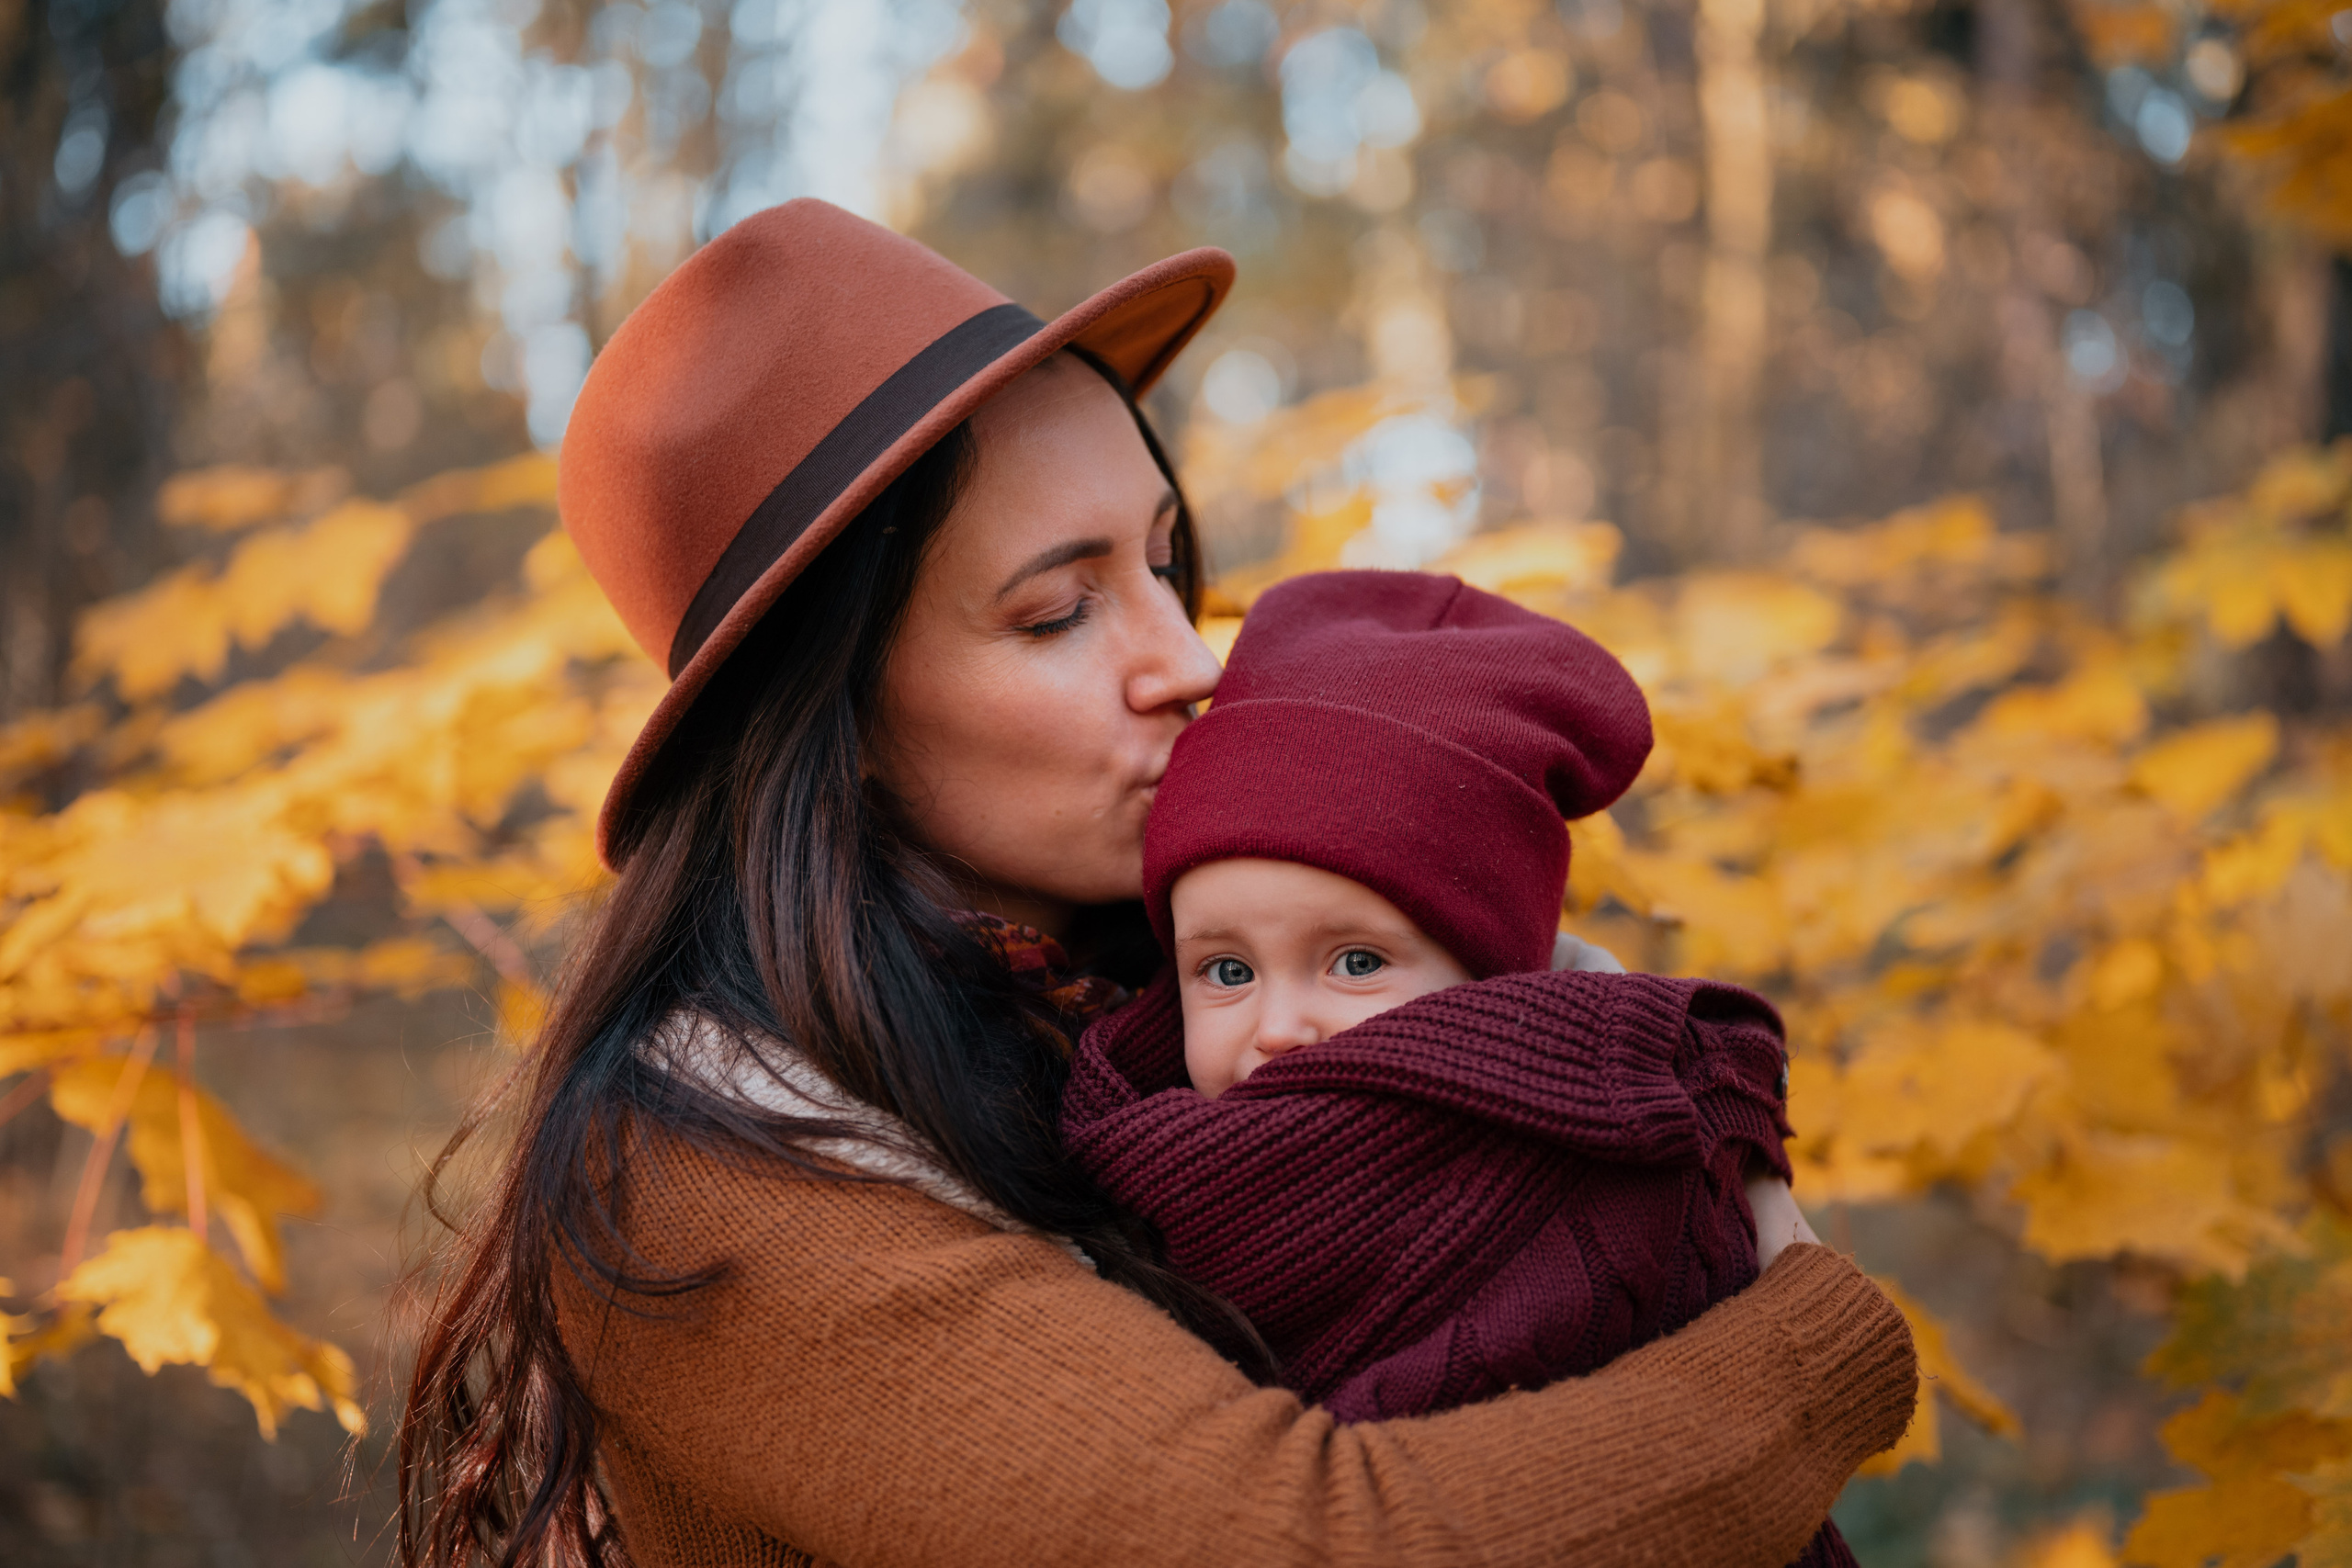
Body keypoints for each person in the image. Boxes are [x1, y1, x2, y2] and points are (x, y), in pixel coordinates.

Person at [396, 197, 1917, 1568]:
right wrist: (1813, 1339)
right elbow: (1304, 1539)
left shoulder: (1187, 986)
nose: (1189, 658)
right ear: (832, 725)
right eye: (1057, 611)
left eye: (1165, 559)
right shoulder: (704, 1173)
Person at [1058, 570, 1855, 1567]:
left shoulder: (1607, 1158)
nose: (1278, 1026)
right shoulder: (1125, 1169)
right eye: (1224, 971)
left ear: (1491, 984)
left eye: (1354, 962)